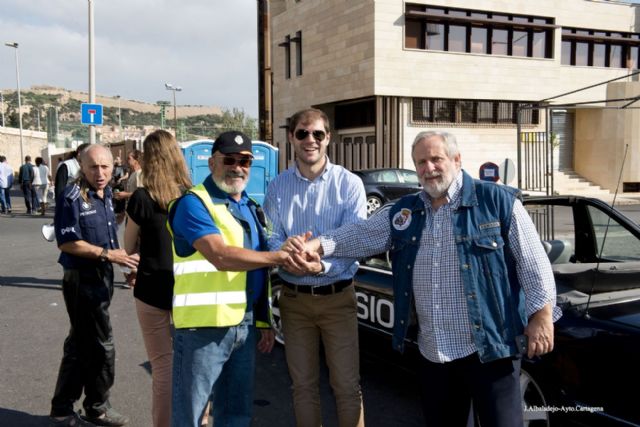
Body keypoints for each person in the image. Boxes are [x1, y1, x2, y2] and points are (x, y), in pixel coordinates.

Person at [295, 130, 562, 427]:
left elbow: (533, 262)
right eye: (421, 162)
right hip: (434, 352)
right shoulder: (406, 210)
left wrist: (542, 315)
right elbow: (361, 234)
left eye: (436, 159)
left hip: (490, 348)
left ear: (457, 160)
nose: (428, 168)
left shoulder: (497, 201)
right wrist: (317, 245)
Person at [167, 130, 291, 427]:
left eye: (245, 160)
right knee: (191, 416)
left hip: (243, 326)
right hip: (202, 329)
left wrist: (262, 320)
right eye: (230, 160)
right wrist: (280, 256)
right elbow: (220, 256)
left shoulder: (248, 206)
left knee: (235, 415)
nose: (238, 167)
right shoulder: (193, 204)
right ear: (212, 163)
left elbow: (257, 268)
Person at [263, 108, 367, 427]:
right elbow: (269, 235)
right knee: (303, 387)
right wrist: (286, 254)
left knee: (347, 387)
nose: (311, 140)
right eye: (303, 133)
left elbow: (355, 240)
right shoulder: (277, 187)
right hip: (294, 302)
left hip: (338, 299)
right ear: (291, 138)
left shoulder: (349, 184)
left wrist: (320, 264)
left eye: (318, 134)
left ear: (328, 139)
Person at [50, 144, 139, 427]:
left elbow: (108, 233)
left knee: (80, 343)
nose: (99, 173)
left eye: (105, 166)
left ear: (112, 166)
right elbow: (67, 242)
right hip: (81, 280)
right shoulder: (72, 196)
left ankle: (64, 408)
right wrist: (107, 255)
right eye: (93, 167)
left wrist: (120, 261)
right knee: (102, 345)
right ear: (82, 165)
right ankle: (97, 407)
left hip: (102, 276)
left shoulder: (107, 193)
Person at [123, 131, 191, 427]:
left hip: (151, 289)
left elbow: (127, 247)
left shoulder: (141, 198)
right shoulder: (191, 196)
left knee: (162, 367)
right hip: (189, 289)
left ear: (149, 159)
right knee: (191, 366)